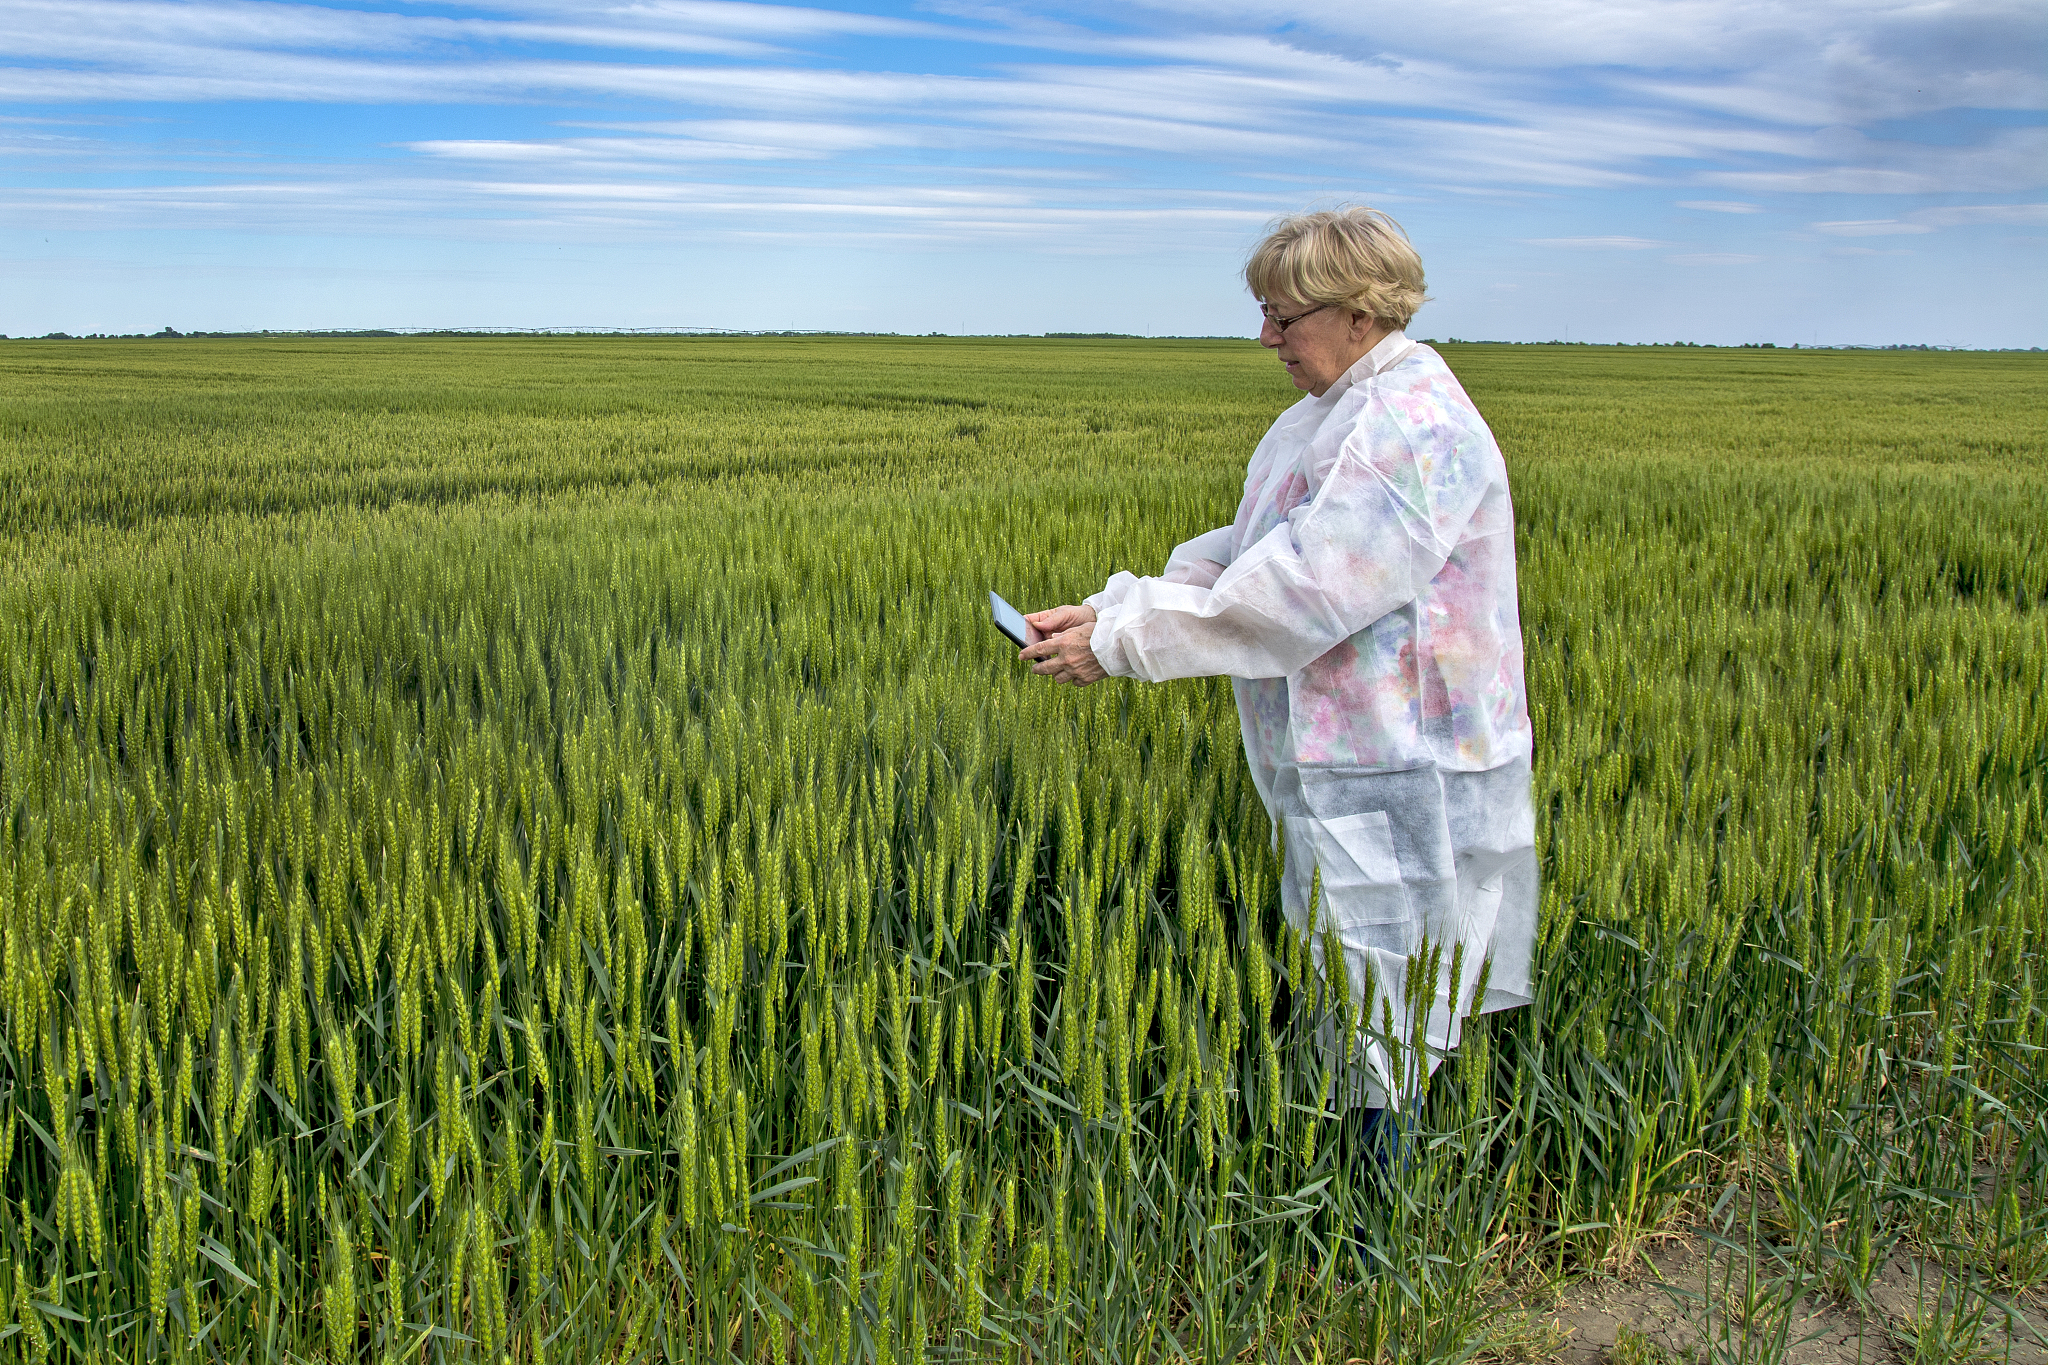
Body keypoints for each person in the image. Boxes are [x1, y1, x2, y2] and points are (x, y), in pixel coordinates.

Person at [1022, 206, 1536, 1146]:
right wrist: (1117, 609)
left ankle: (1383, 1242)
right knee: (1358, 988)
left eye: (1283, 316)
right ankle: (1354, 1208)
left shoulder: (1409, 428)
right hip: (1352, 763)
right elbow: (1255, 549)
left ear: (1359, 312)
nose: (1266, 338)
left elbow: (1302, 590)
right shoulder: (1329, 416)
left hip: (1404, 767)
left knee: (1389, 1003)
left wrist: (1126, 645)